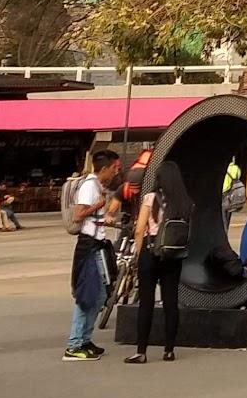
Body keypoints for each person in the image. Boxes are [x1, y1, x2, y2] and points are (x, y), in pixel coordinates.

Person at [127, 164, 193, 363]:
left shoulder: (150, 198)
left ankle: (141, 351)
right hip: (173, 254)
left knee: (146, 303)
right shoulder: (186, 202)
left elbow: (139, 230)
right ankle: (169, 350)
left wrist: (138, 256)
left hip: (150, 251)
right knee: (171, 302)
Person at [64, 149, 123, 360]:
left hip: (96, 245)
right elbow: (79, 214)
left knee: (98, 295)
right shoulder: (89, 186)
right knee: (87, 295)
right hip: (88, 246)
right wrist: (98, 206)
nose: (116, 173)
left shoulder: (97, 186)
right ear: (104, 168)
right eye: (115, 168)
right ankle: (74, 344)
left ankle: (85, 340)